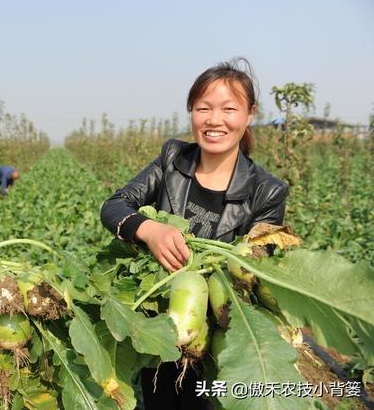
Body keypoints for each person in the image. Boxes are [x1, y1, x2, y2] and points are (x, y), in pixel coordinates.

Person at [100, 58, 288, 409]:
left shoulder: (267, 191)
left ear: (250, 115)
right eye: (203, 108)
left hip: (220, 339)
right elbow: (114, 206)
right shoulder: (173, 159)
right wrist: (149, 228)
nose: (214, 120)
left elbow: (258, 271)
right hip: (161, 331)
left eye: (228, 109)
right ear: (191, 112)